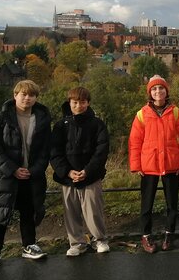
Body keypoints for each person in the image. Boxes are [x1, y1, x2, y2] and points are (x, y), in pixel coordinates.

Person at [0, 80, 51, 270]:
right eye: (23, 94)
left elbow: (46, 149)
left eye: (31, 95)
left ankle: (28, 245)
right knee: (0, 211)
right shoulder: (2, 117)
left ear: (36, 98)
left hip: (30, 174)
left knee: (28, 211)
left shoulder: (42, 119)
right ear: (15, 95)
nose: (27, 98)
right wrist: (12, 169)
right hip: (5, 174)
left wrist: (35, 169)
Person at [129, 75, 179, 253]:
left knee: (172, 204)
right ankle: (146, 236)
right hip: (149, 166)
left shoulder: (176, 112)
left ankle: (169, 234)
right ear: (150, 93)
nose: (158, 92)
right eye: (154, 89)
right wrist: (136, 165)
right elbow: (135, 141)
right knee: (146, 204)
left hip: (171, 164)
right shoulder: (142, 114)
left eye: (161, 88)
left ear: (166, 91)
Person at [50, 86, 110, 257]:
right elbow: (54, 152)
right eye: (75, 102)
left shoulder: (97, 124)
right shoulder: (61, 126)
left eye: (82, 102)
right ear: (69, 103)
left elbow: (102, 151)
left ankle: (100, 239)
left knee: (93, 211)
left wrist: (88, 171)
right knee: (71, 212)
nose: (78, 106)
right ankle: (77, 242)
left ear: (88, 103)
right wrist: (67, 172)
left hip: (91, 176)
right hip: (68, 178)